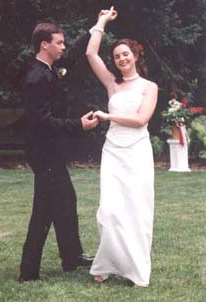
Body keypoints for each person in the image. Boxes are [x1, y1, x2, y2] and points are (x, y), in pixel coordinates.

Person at [19, 22, 99, 282]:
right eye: (59, 43)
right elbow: (41, 122)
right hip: (44, 154)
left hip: (50, 153)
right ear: (45, 45)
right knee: (43, 210)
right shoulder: (36, 78)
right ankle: (28, 272)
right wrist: (79, 125)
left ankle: (72, 257)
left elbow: (74, 53)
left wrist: (98, 25)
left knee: (66, 201)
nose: (64, 47)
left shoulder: (49, 70)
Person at [86, 7, 158, 287]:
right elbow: (91, 54)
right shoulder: (111, 85)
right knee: (110, 210)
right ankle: (105, 264)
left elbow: (141, 120)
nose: (121, 59)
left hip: (137, 152)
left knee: (136, 209)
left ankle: (135, 269)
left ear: (136, 56)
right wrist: (102, 21)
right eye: (116, 56)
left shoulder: (148, 87)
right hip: (113, 151)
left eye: (125, 54)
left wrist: (108, 117)